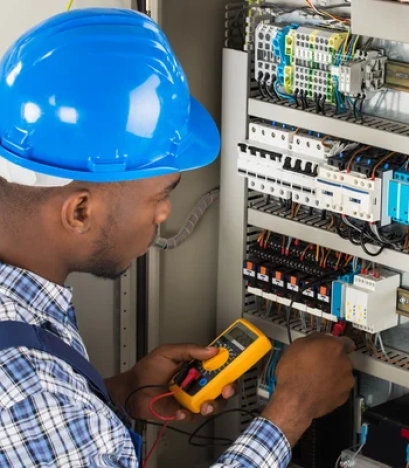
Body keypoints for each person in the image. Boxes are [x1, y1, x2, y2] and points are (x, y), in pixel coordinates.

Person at [0, 7, 355, 468]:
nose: (166, 214)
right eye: (161, 197)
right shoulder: (28, 387)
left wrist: (121, 393)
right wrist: (293, 409)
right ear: (80, 210)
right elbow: (33, 409)